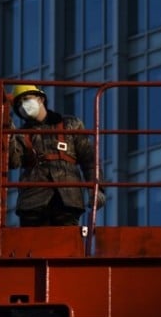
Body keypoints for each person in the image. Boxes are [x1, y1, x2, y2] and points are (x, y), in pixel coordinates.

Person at [6, 84, 104, 226]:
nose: (23, 106)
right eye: (19, 104)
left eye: (26, 99)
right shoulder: (21, 134)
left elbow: (89, 159)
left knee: (66, 243)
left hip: (67, 197)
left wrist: (97, 188)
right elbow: (13, 162)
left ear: (40, 99)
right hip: (33, 200)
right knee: (33, 246)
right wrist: (9, 134)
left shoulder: (70, 124)